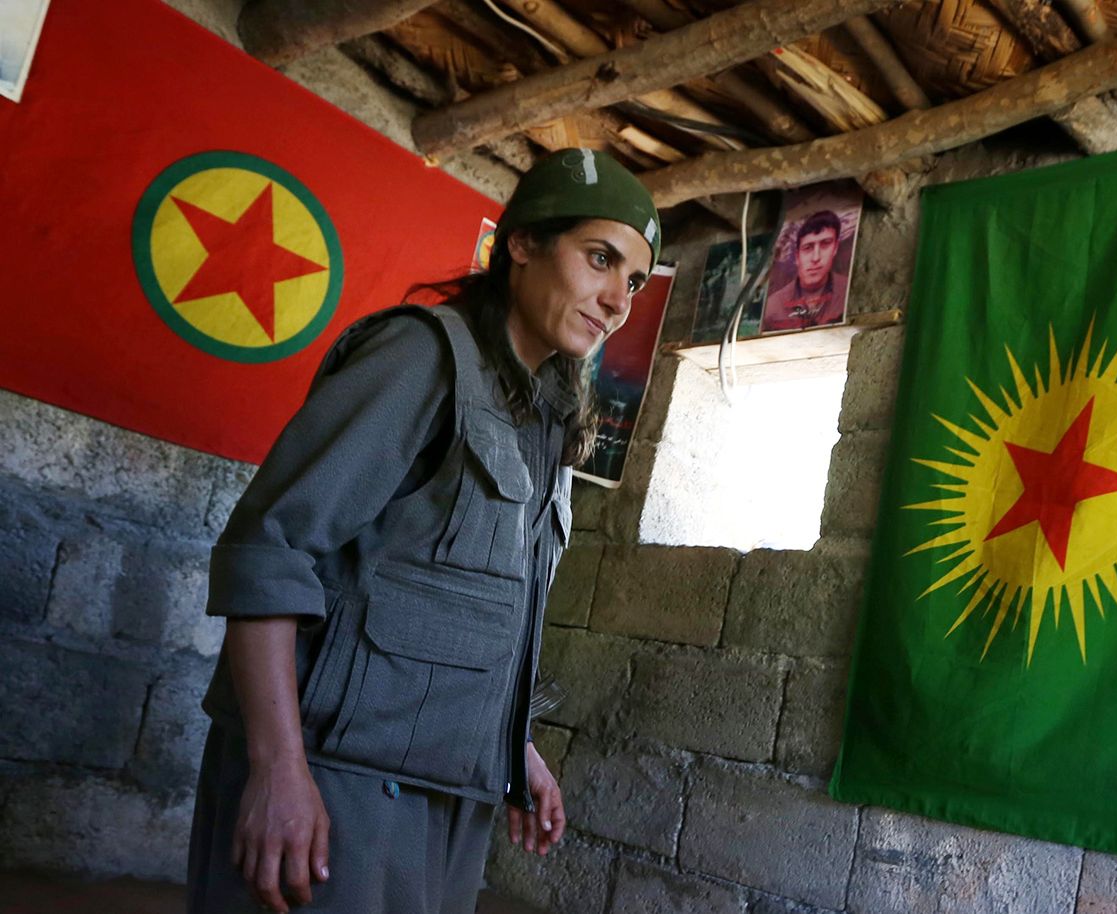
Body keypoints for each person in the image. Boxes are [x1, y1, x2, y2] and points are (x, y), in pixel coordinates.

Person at [185, 148, 660, 914]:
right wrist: (277, 768)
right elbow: (269, 549)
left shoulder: (545, 422)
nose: (616, 300)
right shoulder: (421, 358)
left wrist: (514, 746)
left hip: (446, 792)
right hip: (333, 779)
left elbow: (457, 606)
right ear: (524, 244)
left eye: (633, 281)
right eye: (599, 259)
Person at [761, 209, 849, 331]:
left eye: (825, 244)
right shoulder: (773, 307)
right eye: (808, 248)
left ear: (835, 248)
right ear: (797, 256)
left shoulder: (849, 292)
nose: (816, 257)